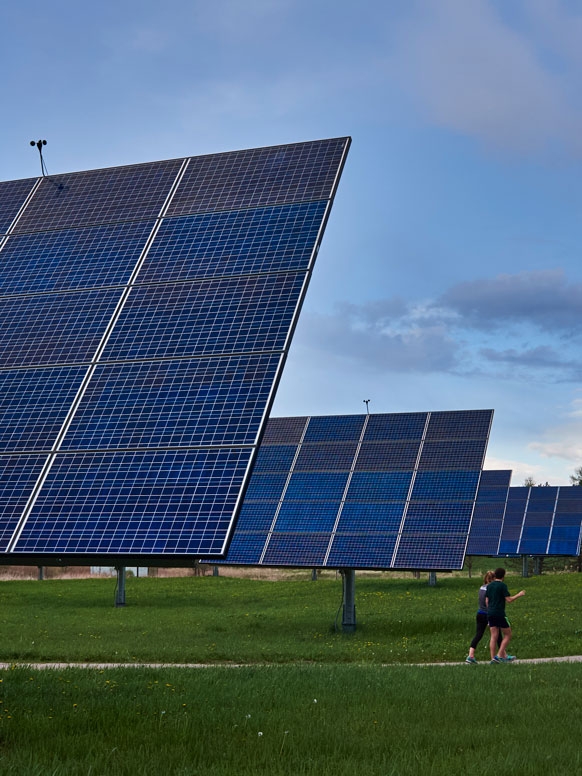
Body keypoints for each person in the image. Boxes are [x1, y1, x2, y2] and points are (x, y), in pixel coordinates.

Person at [486, 567, 525, 664]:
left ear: (495, 575)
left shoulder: (489, 586)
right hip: (499, 613)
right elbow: (509, 600)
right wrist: (519, 595)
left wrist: (490, 609)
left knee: (493, 636)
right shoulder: (502, 586)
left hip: (490, 613)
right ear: (503, 576)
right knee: (508, 634)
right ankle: (499, 656)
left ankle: (492, 658)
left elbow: (487, 601)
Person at [465, 570, 501, 664]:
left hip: (480, 613)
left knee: (479, 634)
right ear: (493, 579)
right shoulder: (491, 589)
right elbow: (488, 602)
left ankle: (471, 655)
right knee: (497, 635)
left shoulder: (481, 588)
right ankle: (499, 656)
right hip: (488, 614)